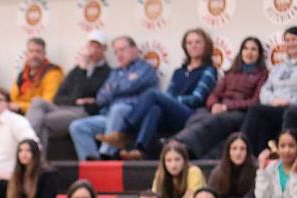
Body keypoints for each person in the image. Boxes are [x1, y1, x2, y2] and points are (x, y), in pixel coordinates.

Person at [105, 28, 218, 160]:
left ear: (206, 45)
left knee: (153, 94)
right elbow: (169, 94)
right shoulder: (178, 71)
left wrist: (172, 100)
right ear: (185, 47)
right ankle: (139, 150)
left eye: (198, 42)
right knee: (155, 109)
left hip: (190, 115)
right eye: (189, 42)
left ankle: (124, 131)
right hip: (174, 113)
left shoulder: (209, 70)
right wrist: (168, 100)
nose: (193, 45)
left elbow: (196, 98)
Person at [174, 37, 268, 160]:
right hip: (219, 107)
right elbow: (214, 94)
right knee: (198, 116)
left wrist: (226, 107)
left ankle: (180, 146)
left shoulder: (262, 74)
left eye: (253, 49)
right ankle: (187, 150)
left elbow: (255, 101)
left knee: (215, 121)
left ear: (259, 54)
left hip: (239, 112)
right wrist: (214, 105)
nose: (249, 52)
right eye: (245, 49)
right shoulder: (230, 72)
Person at [68, 36, 158, 161]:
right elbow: (100, 98)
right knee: (77, 126)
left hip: (133, 116)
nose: (119, 54)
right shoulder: (115, 72)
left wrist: (114, 87)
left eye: (122, 50)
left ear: (134, 50)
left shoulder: (145, 68)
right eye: (116, 52)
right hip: (110, 117)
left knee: (118, 108)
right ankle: (92, 164)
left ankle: (107, 155)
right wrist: (124, 83)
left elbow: (132, 86)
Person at [26, 31, 110, 159]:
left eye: (97, 47)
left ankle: (34, 158)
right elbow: (58, 98)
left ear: (104, 49)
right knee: (37, 102)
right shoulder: (76, 70)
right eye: (90, 46)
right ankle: (27, 139)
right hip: (65, 108)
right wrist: (75, 101)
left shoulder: (107, 73)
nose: (92, 51)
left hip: (84, 112)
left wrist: (83, 70)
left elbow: (89, 95)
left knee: (42, 121)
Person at [241, 26, 297, 155]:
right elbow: (265, 89)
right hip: (275, 106)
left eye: (294, 39)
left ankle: (284, 154)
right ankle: (249, 154)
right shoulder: (278, 68)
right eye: (287, 40)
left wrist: (287, 101)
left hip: (293, 107)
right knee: (257, 111)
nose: (290, 43)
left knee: (290, 113)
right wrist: (273, 100)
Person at [0, 87, 39, 198]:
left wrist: (17, 173)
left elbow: (34, 147)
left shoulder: (17, 122)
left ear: (8, 103)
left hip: (11, 179)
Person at [207, 132, 260, 198]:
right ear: (228, 151)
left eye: (242, 149)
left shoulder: (256, 170)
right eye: (234, 148)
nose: (238, 153)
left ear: (248, 151)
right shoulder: (218, 172)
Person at [8, 38, 62, 114]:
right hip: (18, 112)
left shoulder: (52, 73)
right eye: (31, 51)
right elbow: (13, 98)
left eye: (38, 51)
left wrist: (20, 106)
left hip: (40, 115)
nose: (34, 55)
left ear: (44, 54)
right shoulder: (22, 74)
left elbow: (47, 103)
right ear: (26, 54)